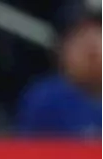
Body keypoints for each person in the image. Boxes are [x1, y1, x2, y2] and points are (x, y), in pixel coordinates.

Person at [16, 0, 103, 137]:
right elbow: (29, 156)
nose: (92, 47)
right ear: (61, 49)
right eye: (80, 35)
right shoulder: (46, 101)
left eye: (98, 33)